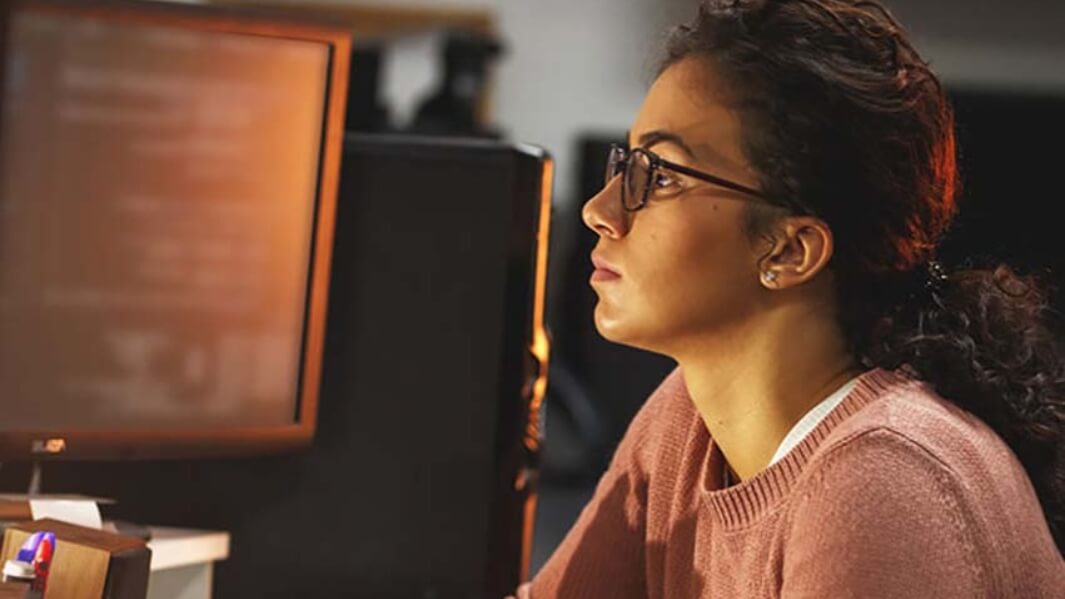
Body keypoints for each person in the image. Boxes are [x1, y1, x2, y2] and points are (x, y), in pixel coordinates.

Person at [510, 0, 1065, 596]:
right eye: (627, 165)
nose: (600, 211)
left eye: (661, 175)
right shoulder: (689, 421)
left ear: (789, 251)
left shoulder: (883, 481)